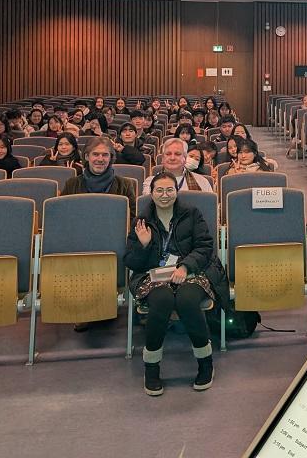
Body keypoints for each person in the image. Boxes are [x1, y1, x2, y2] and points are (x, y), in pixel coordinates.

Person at [125, 169, 228, 395]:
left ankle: (205, 362)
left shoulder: (192, 214)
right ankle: (151, 367)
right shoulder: (141, 221)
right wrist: (144, 245)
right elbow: (131, 261)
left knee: (187, 300)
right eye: (159, 190)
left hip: (191, 271)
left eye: (169, 190)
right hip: (153, 275)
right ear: (151, 193)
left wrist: (185, 266)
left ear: (176, 191)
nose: (165, 195)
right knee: (161, 300)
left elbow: (204, 247)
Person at [62, 136, 136, 212]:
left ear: (110, 157)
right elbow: (62, 213)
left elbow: (132, 216)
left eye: (105, 155)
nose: (100, 159)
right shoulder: (71, 184)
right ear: (87, 156)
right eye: (95, 154)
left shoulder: (125, 185)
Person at [143, 138, 213, 194]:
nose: (172, 158)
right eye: (168, 154)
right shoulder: (150, 182)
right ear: (162, 159)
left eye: (177, 154)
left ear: (185, 158)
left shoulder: (202, 182)